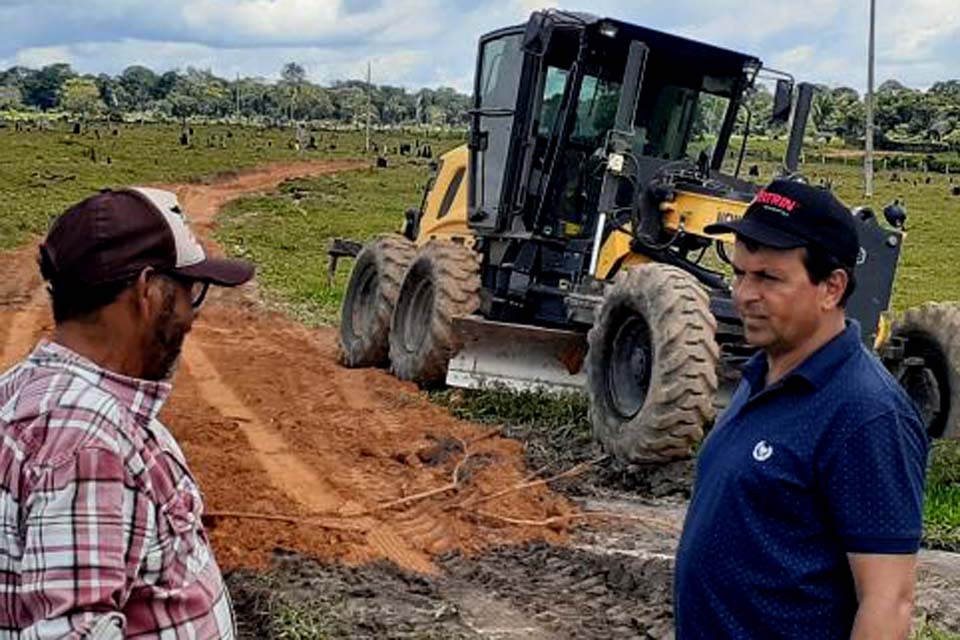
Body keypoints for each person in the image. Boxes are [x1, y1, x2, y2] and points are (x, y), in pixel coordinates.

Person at [674, 179, 928, 639]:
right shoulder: (760, 378)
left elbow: (888, 602)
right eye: (739, 273)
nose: (744, 294)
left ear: (831, 287)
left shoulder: (865, 414)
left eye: (768, 278)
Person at [0, 187, 254, 638]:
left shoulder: (21, 392)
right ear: (147, 293)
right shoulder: (88, 443)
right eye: (189, 293)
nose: (192, 317)